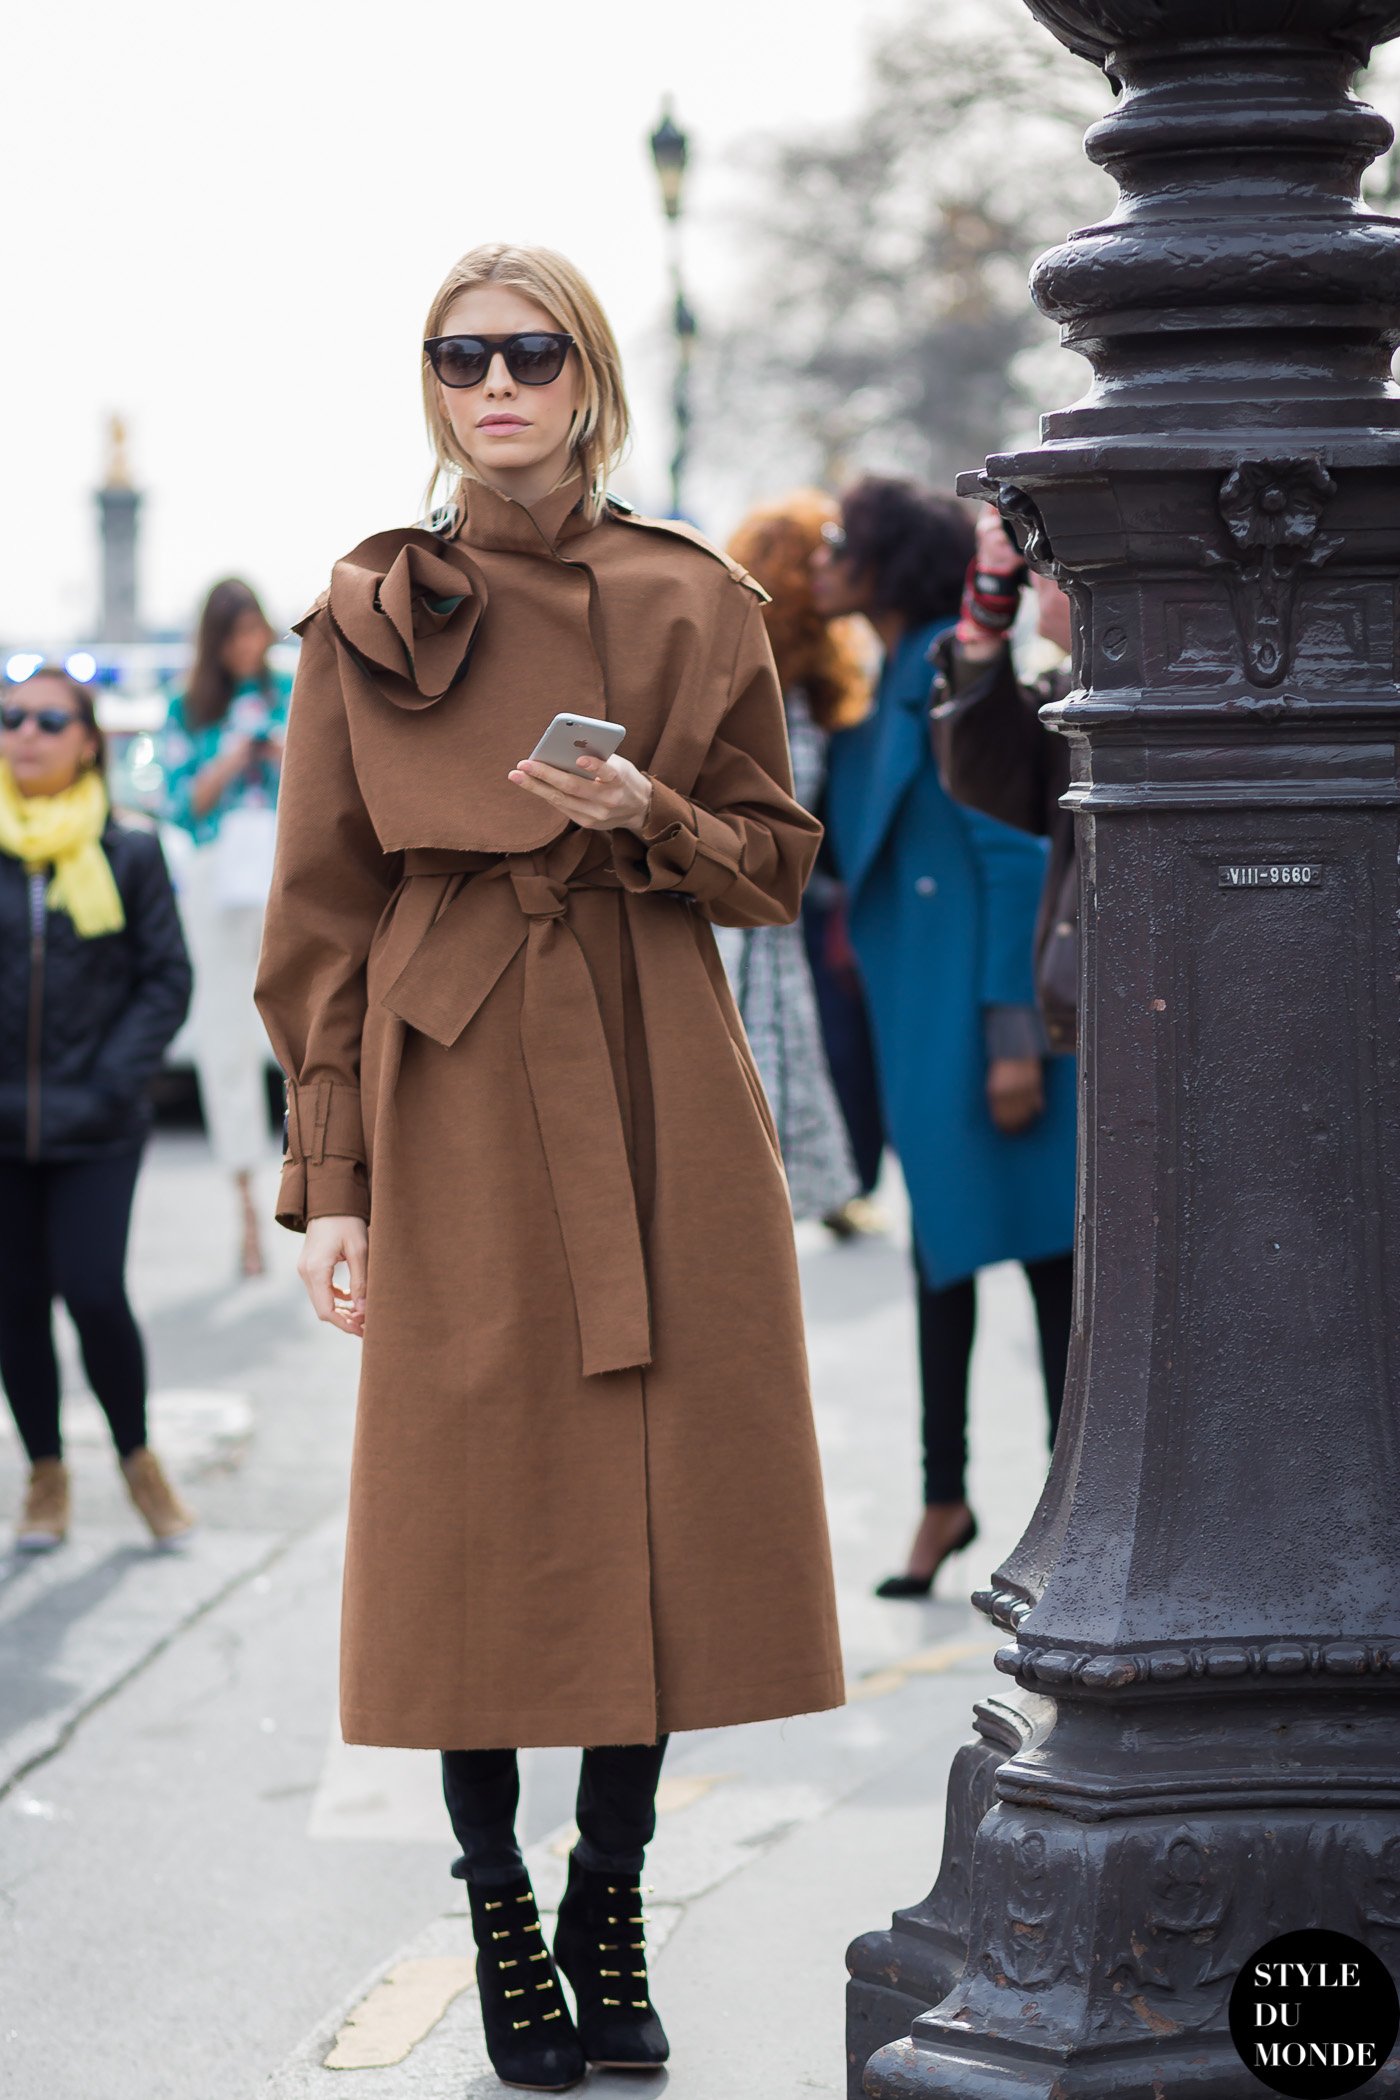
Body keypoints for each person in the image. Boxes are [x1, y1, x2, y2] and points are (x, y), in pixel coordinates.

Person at [254, 242, 844, 2091]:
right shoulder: (364, 611)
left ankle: (613, 1896)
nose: (493, 386)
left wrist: (647, 812)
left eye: (529, 354)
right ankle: (498, 1899)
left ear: (590, 376)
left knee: (661, 1503)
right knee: (472, 1516)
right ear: (429, 387)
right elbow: (319, 922)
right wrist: (330, 1179)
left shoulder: (695, 598)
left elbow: (772, 864)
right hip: (454, 1082)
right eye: (459, 358)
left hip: (657, 1061)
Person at [812, 476, 1076, 1599]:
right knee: (944, 1259)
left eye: (839, 543)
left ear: (884, 562)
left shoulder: (940, 666)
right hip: (924, 1024)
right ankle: (944, 1496)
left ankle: (1072, 1513)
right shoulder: (885, 673)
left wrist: (1015, 1035)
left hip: (983, 1027)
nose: (820, 559)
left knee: (1046, 1271)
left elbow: (1009, 851)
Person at [0, 666, 194, 1551]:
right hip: (2, 1124)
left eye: (48, 719)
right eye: (11, 719)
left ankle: (137, 1458)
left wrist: (114, 1077)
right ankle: (45, 1476)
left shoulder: (131, 848)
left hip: (98, 1122)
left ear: (88, 741)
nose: (26, 733)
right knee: (13, 1302)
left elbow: (166, 979)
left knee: (92, 1290)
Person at [715, 493, 869, 1222]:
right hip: (730, 905)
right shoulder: (742, 678)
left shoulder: (809, 682)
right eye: (817, 562)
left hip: (779, 912)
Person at [162, 579, 289, 1277]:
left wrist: (279, 752)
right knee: (225, 1037)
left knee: (302, 1025)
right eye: (235, 635)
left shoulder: (292, 694)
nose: (248, 646)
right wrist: (234, 753)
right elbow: (182, 804)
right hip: (218, 875)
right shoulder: (189, 707)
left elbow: (328, 781)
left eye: (255, 632)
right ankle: (246, 1205)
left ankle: (319, 1190)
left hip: (281, 869)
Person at [931, 502, 1077, 1049]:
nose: (1034, 572)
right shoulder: (1072, 690)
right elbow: (989, 779)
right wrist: (985, 617)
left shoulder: (1162, 686)